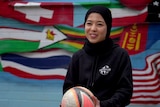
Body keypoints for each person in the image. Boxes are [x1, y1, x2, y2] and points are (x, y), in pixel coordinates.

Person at [63, 5, 133, 107]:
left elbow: (125, 92)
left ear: (108, 27)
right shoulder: (78, 57)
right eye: (89, 23)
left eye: (99, 24)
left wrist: (101, 105)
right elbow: (68, 91)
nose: (93, 29)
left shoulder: (120, 55)